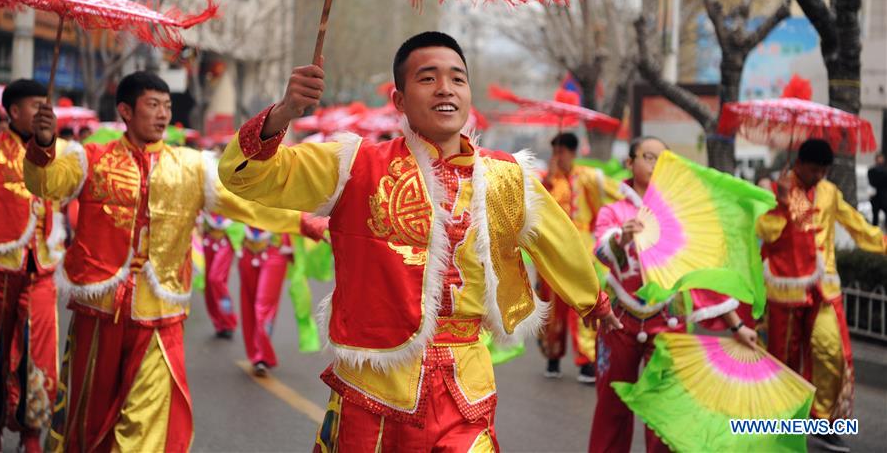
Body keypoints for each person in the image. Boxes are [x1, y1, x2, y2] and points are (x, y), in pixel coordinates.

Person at [219, 31, 620, 451]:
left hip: (466, 387)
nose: (445, 88)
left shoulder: (506, 177)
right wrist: (283, 113)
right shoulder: (354, 164)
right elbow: (244, 175)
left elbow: (558, 239)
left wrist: (593, 301)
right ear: (399, 100)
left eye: (457, 79)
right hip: (373, 385)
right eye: (428, 78)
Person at [24, 71, 307, 453]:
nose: (162, 114)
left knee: (149, 423)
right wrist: (44, 143)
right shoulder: (90, 158)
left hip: (161, 314)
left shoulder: (192, 166)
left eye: (167, 106)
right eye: (153, 105)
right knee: (89, 419)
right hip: (99, 311)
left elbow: (247, 204)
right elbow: (45, 184)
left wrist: (303, 221)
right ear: (126, 111)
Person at [589, 136, 757, 453]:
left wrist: (736, 325)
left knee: (666, 411)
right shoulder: (614, 211)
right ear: (629, 163)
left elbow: (703, 275)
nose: (656, 165)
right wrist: (622, 238)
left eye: (664, 160)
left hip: (669, 321)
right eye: (649, 157)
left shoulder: (680, 216)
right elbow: (601, 249)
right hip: (619, 322)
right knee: (612, 406)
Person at [757, 139, 886, 452]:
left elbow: (855, 224)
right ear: (799, 163)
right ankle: (782, 422)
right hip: (786, 286)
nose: (819, 176)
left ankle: (823, 421)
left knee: (832, 353)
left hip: (824, 287)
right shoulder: (780, 188)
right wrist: (782, 203)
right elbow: (765, 232)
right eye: (814, 170)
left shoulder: (829, 192)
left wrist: (883, 243)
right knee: (783, 358)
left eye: (823, 171)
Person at [0, 80, 66, 453]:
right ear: (14, 111)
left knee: (40, 352)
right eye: (35, 105)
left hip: (42, 269)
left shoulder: (59, 153)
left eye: (46, 104)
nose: (43, 111)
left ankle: (32, 430)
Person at [538, 132, 623, 383]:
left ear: (572, 153)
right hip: (553, 252)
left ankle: (586, 360)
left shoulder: (587, 177)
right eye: (554, 152)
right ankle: (552, 356)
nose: (557, 157)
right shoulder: (546, 181)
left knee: (584, 302)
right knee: (553, 306)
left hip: (582, 250)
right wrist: (548, 183)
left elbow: (615, 195)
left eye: (561, 152)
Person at [239, 218, 327, 377]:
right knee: (248, 304)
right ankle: (254, 352)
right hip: (247, 248)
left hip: (275, 249)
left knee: (262, 306)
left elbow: (301, 211)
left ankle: (262, 356)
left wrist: (321, 228)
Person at [201, 212, 241, 339]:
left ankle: (229, 321)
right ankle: (219, 322)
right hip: (208, 237)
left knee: (216, 279)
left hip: (227, 236)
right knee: (209, 286)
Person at [868, 152, 887, 228]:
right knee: (875, 216)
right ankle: (874, 231)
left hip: (884, 196)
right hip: (875, 197)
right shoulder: (872, 171)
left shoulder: (884, 171)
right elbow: (872, 182)